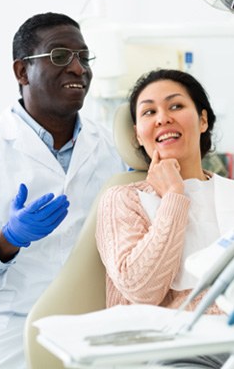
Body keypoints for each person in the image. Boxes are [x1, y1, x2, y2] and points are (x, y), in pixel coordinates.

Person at [0, 12, 126, 369]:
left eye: (83, 57)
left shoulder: (110, 147)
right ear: (21, 72)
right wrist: (7, 240)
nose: (78, 69)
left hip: (97, 325)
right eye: (60, 56)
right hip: (12, 329)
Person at [95, 69, 234, 368]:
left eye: (176, 106)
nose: (162, 118)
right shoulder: (123, 199)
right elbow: (142, 289)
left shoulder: (230, 193)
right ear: (137, 133)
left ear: (203, 120)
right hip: (168, 351)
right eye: (149, 112)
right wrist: (173, 196)